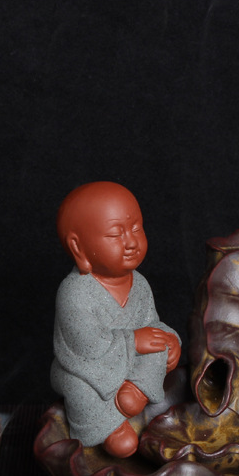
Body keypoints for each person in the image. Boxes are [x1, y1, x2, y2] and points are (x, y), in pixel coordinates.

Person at [51, 182, 180, 457]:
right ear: (78, 247)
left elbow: (150, 322)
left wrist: (169, 339)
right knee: (79, 388)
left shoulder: (140, 284)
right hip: (86, 368)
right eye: (115, 234)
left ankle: (137, 390)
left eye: (136, 229)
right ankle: (107, 426)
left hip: (128, 362)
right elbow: (85, 345)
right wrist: (133, 341)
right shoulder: (74, 291)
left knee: (161, 343)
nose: (131, 242)